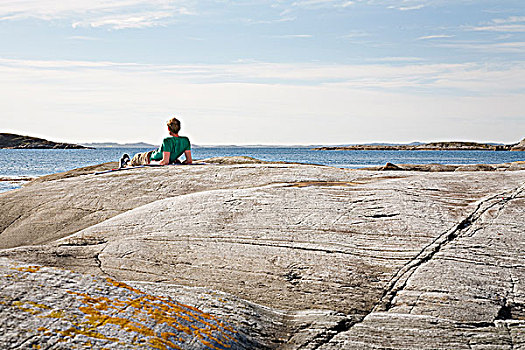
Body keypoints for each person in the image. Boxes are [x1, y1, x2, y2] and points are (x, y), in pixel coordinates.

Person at [120, 117, 192, 167]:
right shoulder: (186, 140)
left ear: (168, 128)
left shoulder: (167, 141)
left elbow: (165, 162)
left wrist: (153, 163)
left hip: (149, 158)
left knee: (136, 158)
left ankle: (125, 163)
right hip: (154, 154)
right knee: (138, 157)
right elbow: (189, 161)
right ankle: (127, 161)